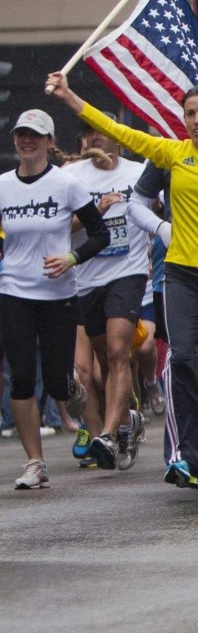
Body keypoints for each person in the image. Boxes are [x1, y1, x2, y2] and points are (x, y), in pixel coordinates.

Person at [49, 77, 198, 488]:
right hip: (181, 274)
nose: (196, 121)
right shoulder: (173, 153)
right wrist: (70, 96)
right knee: (180, 360)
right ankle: (187, 455)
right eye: (190, 114)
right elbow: (122, 133)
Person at [2, 109, 110, 490]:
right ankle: (35, 462)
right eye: (21, 135)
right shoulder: (2, 185)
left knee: (59, 384)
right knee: (21, 378)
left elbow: (100, 235)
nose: (27, 141)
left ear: (50, 142)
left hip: (58, 296)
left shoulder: (66, 185)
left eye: (35, 135)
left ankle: (77, 395)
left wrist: (71, 258)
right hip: (13, 291)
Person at [63, 125, 150, 471]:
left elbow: (158, 205)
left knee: (118, 351)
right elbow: (60, 228)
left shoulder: (138, 172)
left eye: (101, 131)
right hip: (85, 278)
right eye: (87, 133)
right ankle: (126, 420)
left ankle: (108, 436)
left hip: (127, 273)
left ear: (116, 137)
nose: (94, 138)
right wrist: (94, 211)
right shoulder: (70, 177)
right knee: (101, 364)